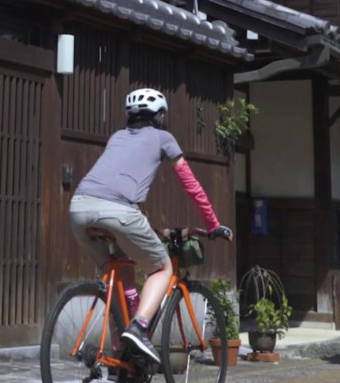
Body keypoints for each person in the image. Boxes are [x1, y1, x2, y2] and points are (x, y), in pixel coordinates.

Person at [70, 87, 233, 363]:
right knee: (162, 268)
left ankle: (122, 360)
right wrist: (213, 223)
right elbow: (191, 186)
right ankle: (139, 327)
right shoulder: (163, 137)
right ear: (159, 116)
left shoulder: (117, 137)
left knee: (120, 282)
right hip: (120, 212)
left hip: (78, 209)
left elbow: (115, 186)